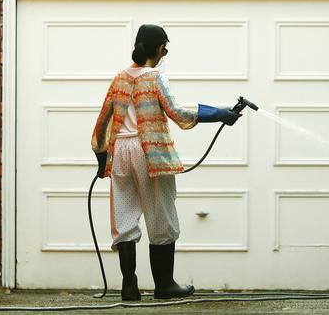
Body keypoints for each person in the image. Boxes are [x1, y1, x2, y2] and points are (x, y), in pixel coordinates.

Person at [91, 24, 241, 301]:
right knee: (161, 216)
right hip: (150, 152)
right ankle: (164, 285)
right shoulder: (155, 76)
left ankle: (129, 287)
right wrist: (219, 113)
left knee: (124, 217)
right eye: (165, 49)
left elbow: (101, 123)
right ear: (159, 48)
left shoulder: (119, 78)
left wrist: (102, 160)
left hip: (120, 151)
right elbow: (177, 111)